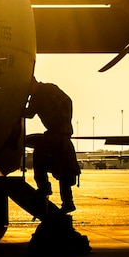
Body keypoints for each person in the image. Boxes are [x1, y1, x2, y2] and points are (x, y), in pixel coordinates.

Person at [24, 81, 80, 213]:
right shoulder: (51, 88)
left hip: (55, 135)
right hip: (63, 135)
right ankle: (67, 202)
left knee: (39, 159)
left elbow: (29, 113)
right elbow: (68, 101)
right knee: (64, 169)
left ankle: (44, 189)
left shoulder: (38, 95)